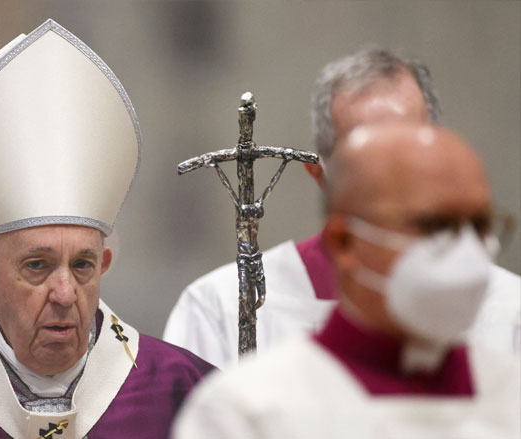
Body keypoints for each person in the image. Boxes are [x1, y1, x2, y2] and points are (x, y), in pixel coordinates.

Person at [0, 19, 213, 439]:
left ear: (105, 264)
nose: (64, 294)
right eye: (37, 265)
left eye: (82, 265)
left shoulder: (179, 387)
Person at [163, 48, 520, 368]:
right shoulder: (221, 305)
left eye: (409, 148)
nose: (393, 176)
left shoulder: (509, 311)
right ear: (318, 172)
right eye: (366, 157)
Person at [173, 122, 521, 438]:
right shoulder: (246, 411)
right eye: (432, 226)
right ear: (343, 241)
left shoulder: (511, 391)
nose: (467, 252)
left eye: (478, 225)